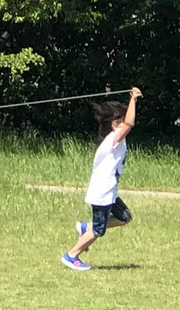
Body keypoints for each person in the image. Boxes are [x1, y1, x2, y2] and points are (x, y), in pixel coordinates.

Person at [61, 87, 143, 271]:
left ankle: (85, 228)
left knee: (125, 217)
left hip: (110, 191)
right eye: (121, 121)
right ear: (114, 124)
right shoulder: (114, 139)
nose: (125, 124)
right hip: (102, 192)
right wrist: (133, 99)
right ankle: (71, 255)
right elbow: (130, 123)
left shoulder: (114, 139)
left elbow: (127, 123)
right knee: (99, 230)